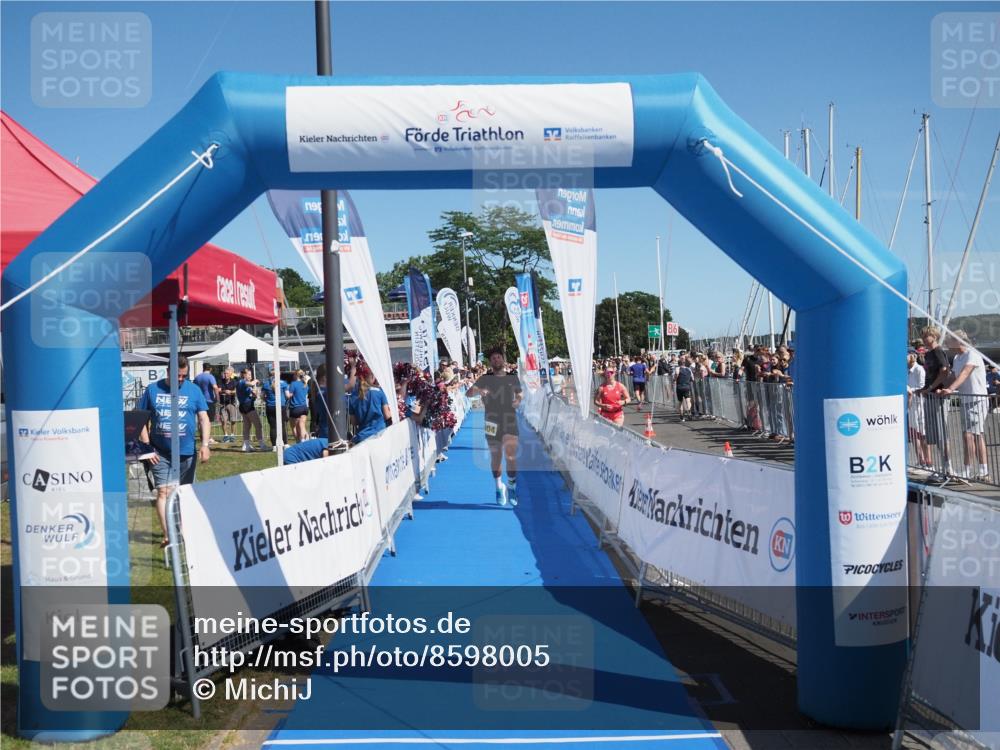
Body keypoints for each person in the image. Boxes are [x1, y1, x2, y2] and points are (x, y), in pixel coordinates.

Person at [138, 356, 211, 547]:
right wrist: (146, 447)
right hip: (159, 452)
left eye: (184, 376)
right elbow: (140, 420)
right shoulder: (152, 390)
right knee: (163, 492)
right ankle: (169, 535)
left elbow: (204, 418)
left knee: (183, 494)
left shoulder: (193, 390)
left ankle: (184, 531)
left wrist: (205, 445)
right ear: (168, 371)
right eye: (177, 375)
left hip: (187, 453)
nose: (180, 379)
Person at [467, 346, 522, 506]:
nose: (496, 360)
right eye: (493, 358)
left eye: (499, 357)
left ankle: (512, 485)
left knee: (511, 455)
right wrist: (479, 390)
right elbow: (468, 393)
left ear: (503, 359)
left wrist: (518, 400)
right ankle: (499, 487)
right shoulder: (485, 378)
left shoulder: (512, 377)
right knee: (496, 457)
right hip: (491, 421)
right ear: (490, 362)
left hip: (509, 419)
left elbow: (519, 393)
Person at [938, 331, 990, 482]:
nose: (948, 344)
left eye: (950, 341)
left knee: (968, 435)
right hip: (966, 400)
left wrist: (951, 389)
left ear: (958, 341)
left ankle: (967, 471)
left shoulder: (972, 355)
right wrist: (940, 388)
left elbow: (965, 374)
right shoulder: (957, 358)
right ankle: (983, 470)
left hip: (976, 399)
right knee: (976, 435)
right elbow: (954, 376)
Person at [918, 326, 954, 478]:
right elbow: (930, 375)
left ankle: (948, 468)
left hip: (938, 395)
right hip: (930, 395)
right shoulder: (928, 354)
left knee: (941, 432)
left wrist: (932, 387)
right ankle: (943, 467)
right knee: (934, 434)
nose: (925, 339)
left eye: (927, 336)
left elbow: (945, 371)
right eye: (924, 336)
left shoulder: (938, 351)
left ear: (934, 336)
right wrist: (924, 389)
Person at [349, 364, 392, 445]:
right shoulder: (379, 392)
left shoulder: (353, 396)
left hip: (363, 438)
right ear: (372, 376)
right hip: (380, 435)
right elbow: (387, 416)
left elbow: (354, 422)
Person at [907, 351, 932, 470]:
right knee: (913, 434)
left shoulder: (919, 369)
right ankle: (920, 461)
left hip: (919, 405)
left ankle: (929, 462)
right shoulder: (907, 371)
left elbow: (922, 386)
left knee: (922, 434)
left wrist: (909, 389)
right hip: (911, 405)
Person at [236, 367, 265, 452]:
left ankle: (246, 445)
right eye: (249, 374)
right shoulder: (242, 382)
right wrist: (255, 381)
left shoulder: (244, 383)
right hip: (247, 406)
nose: (250, 376)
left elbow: (248, 393)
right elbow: (250, 384)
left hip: (245, 405)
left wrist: (254, 395)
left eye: (250, 375)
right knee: (258, 425)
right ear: (244, 375)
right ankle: (261, 444)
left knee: (247, 426)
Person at [260, 369, 288, 450]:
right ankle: (285, 444)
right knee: (282, 425)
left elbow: (262, 396)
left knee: (273, 426)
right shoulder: (283, 383)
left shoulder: (266, 384)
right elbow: (287, 395)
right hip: (281, 406)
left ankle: (274, 446)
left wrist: (267, 400)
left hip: (270, 406)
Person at [192, 364, 220, 443]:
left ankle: (202, 436)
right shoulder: (210, 377)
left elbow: (193, 388)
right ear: (210, 369)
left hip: (199, 400)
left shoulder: (197, 377)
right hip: (209, 401)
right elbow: (215, 387)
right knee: (208, 420)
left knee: (201, 419)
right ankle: (208, 437)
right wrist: (217, 398)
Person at [287, 370, 310, 443]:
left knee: (294, 426)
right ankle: (304, 440)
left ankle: (298, 442)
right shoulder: (305, 384)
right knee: (302, 425)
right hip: (304, 407)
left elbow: (289, 395)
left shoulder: (293, 384)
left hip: (295, 407)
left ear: (295, 375)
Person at [218, 367, 239, 443]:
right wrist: (224, 391)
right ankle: (226, 436)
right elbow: (219, 390)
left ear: (230, 374)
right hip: (223, 403)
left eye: (227, 373)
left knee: (233, 420)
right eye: (225, 373)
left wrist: (230, 392)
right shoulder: (221, 381)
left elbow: (236, 391)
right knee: (224, 420)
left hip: (231, 403)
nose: (225, 375)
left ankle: (232, 435)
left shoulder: (234, 382)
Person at [674, 355, 694, 421]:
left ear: (678, 364)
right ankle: (689, 412)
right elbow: (692, 378)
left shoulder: (678, 368)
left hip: (679, 386)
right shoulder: (689, 369)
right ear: (684, 363)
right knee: (688, 400)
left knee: (680, 402)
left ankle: (682, 416)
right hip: (687, 386)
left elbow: (676, 374)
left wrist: (674, 379)